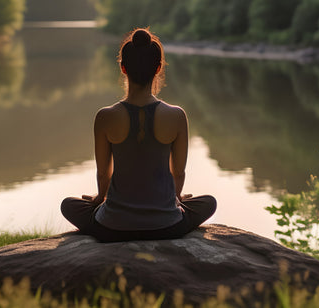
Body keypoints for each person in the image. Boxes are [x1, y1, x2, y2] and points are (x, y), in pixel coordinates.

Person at [60, 28, 216, 242]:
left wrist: (99, 199)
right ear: (158, 68)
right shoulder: (176, 115)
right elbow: (178, 173)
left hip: (112, 227)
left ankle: (111, 214)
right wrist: (176, 200)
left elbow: (104, 175)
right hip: (168, 226)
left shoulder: (105, 117)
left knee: (68, 205)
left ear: (123, 68)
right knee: (209, 202)